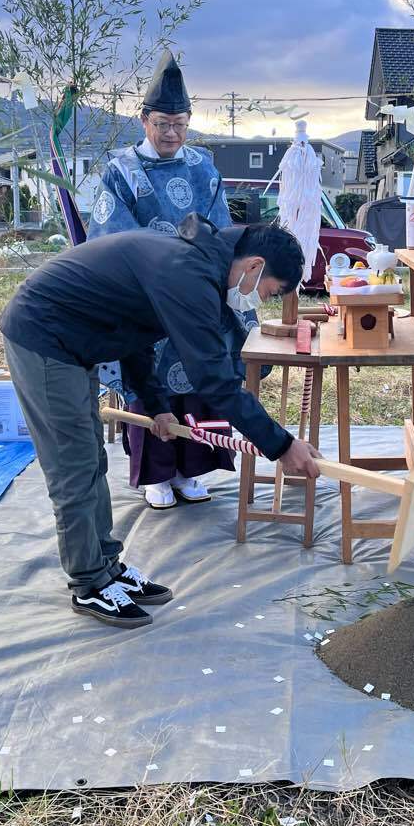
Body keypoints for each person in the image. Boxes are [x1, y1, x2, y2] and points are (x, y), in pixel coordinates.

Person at [0, 214, 321, 629]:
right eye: (270, 291)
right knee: (73, 465)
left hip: (75, 341)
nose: (259, 299)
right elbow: (215, 382)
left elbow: (136, 336)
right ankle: (88, 583)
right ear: (254, 266)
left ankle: (106, 566)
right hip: (44, 337)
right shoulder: (186, 273)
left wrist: (156, 406)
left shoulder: (192, 266)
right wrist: (281, 445)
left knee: (90, 459)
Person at [87, 50, 251, 511]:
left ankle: (191, 468)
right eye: (163, 123)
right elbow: (112, 234)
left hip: (194, 290)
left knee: (202, 371)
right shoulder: (121, 170)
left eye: (180, 123)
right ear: (144, 120)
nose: (172, 133)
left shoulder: (203, 167)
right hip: (145, 292)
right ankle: (155, 474)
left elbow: (217, 228)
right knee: (149, 379)